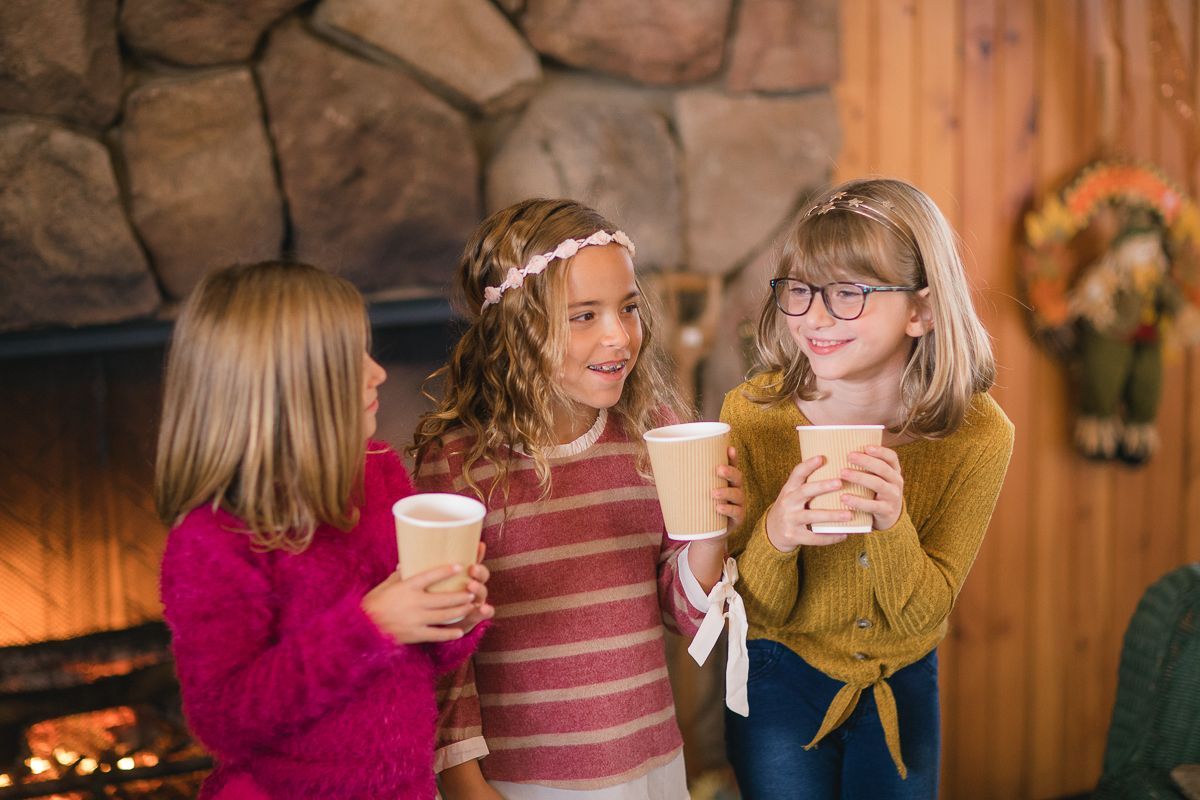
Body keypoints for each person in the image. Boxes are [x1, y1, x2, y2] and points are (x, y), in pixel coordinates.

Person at [410, 198, 745, 799]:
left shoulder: (651, 432)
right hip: (523, 781)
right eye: (584, 315)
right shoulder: (459, 463)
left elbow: (686, 616)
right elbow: (443, 652)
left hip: (651, 764)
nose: (619, 335)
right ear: (515, 328)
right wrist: (462, 781)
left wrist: (711, 530)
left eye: (628, 308)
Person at [720, 178, 1015, 799]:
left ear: (922, 310)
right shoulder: (754, 415)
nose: (814, 317)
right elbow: (756, 612)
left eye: (848, 293)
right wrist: (776, 534)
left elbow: (925, 613)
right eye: (799, 290)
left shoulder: (978, 434)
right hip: (778, 679)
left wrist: (891, 525)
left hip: (901, 683)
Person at [155, 261, 493, 800]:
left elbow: (426, 657)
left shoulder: (378, 473)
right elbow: (223, 720)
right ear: (279, 388)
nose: (377, 373)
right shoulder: (212, 539)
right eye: (348, 360)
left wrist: (454, 615)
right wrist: (369, 627)